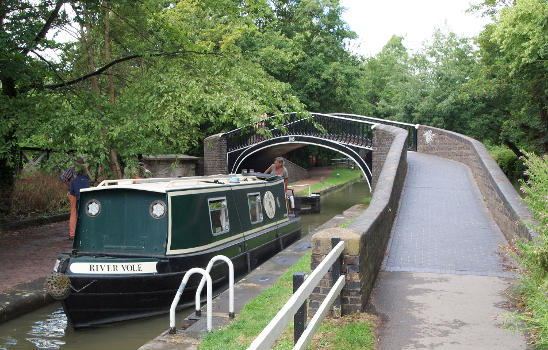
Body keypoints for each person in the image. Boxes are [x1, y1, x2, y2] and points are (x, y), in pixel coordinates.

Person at [63, 158, 90, 239]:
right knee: (78, 212)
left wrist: (71, 186)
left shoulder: (75, 170)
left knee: (74, 212)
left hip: (74, 191)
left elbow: (63, 178)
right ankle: (74, 233)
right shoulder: (73, 169)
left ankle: (73, 234)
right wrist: (70, 186)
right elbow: (63, 177)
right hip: (76, 193)